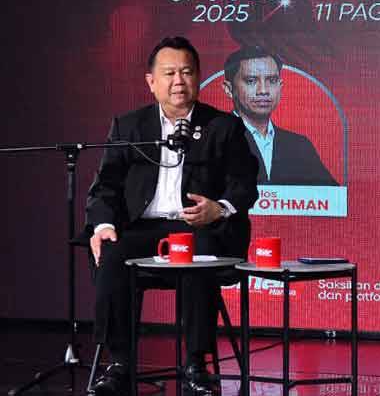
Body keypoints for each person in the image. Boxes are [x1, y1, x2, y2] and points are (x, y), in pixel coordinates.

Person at [86, 37, 259, 396]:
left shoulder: (223, 127)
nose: (178, 80)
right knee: (114, 255)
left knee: (197, 258)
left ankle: (196, 363)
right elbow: (105, 187)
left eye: (186, 72)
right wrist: (102, 226)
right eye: (169, 73)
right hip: (142, 228)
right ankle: (118, 363)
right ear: (151, 82)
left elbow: (245, 184)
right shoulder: (129, 127)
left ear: (198, 78)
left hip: (196, 228)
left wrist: (220, 208)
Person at [223, 45, 338, 185]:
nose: (263, 90)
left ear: (280, 86)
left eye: (272, 80)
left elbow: (332, 199)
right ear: (229, 89)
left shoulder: (299, 146)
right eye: (251, 81)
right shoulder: (211, 141)